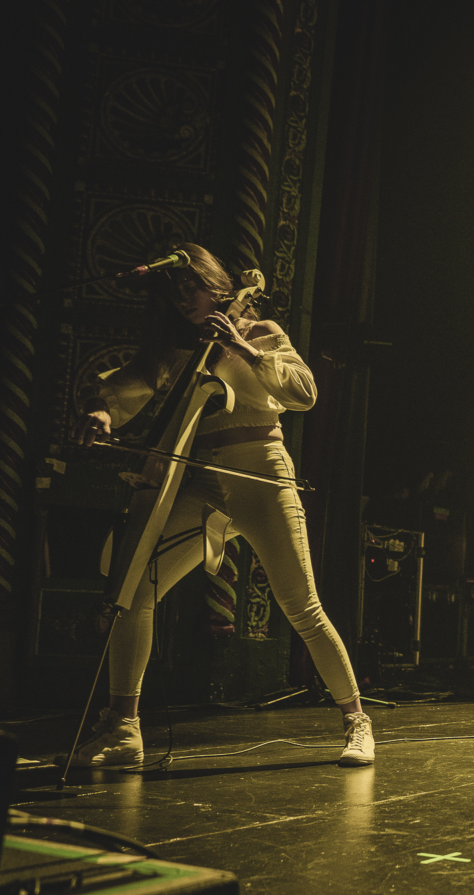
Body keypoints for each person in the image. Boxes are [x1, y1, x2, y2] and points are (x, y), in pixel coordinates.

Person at [70, 242, 373, 768]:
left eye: (195, 286)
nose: (187, 298)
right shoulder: (172, 353)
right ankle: (124, 729)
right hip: (202, 483)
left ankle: (356, 721)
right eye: (177, 292)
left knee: (302, 605)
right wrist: (100, 413)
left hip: (261, 475)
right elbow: (115, 390)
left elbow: (304, 394)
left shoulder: (262, 331)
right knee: (134, 586)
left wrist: (245, 348)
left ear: (219, 283)